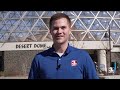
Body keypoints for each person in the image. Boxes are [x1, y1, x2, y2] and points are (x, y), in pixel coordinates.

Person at [28, 13, 99, 79]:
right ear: (50, 31)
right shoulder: (39, 59)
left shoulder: (83, 57)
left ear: (70, 30)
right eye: (55, 28)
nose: (59, 32)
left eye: (63, 27)